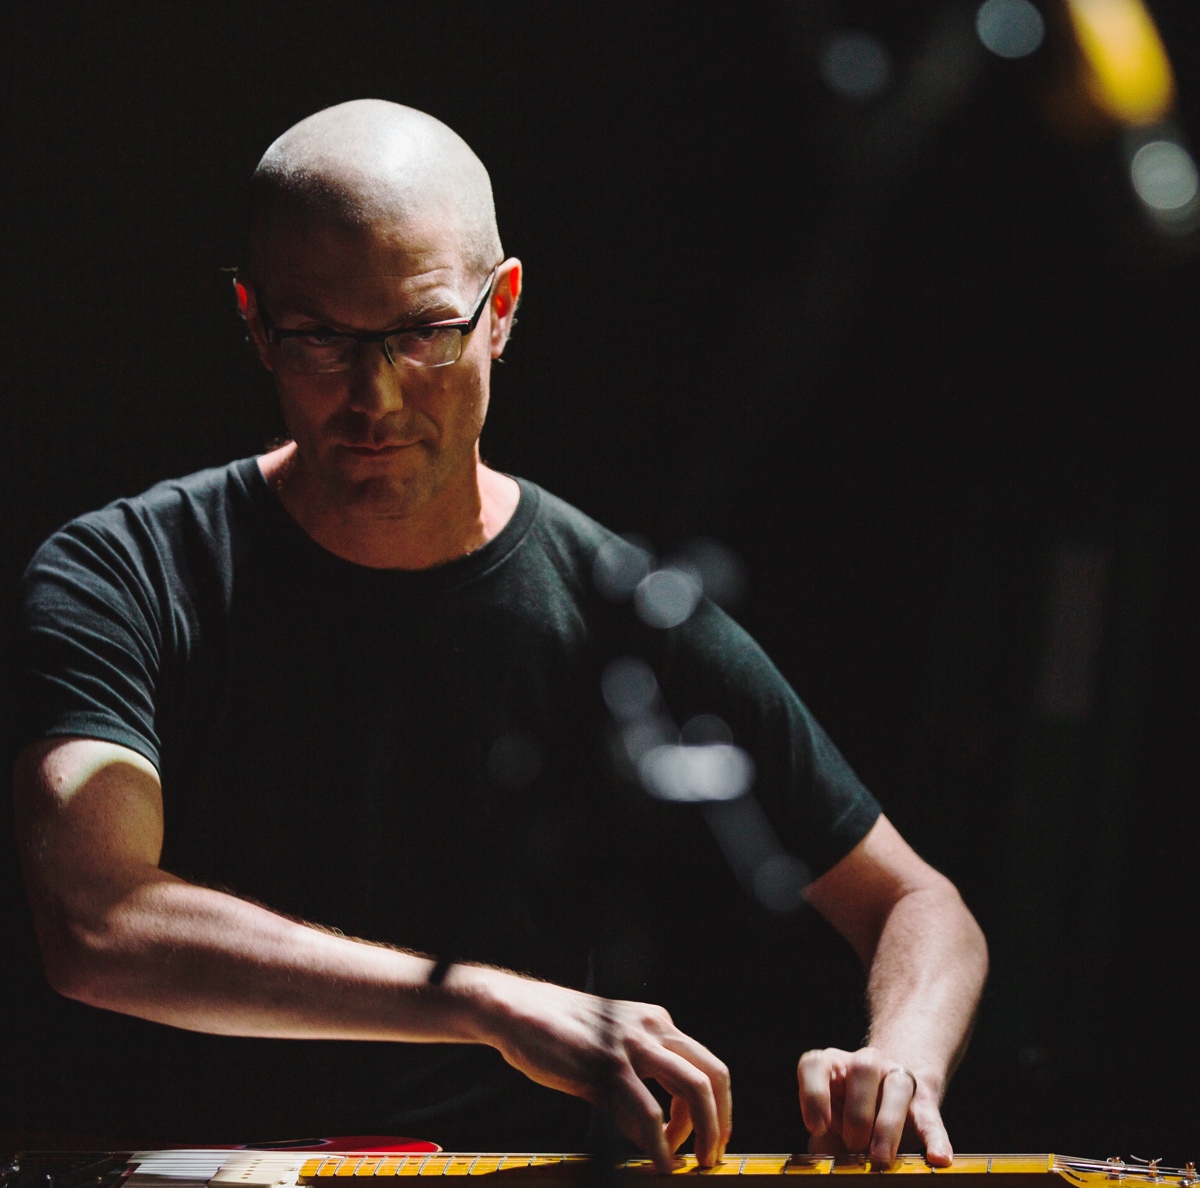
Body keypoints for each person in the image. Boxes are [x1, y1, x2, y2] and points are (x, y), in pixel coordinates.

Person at [12, 100, 987, 1169]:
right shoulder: (123, 572)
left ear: (503, 307)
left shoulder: (613, 601)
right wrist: (484, 1003)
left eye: (424, 333)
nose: (374, 395)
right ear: (253, 322)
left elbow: (917, 901)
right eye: (321, 339)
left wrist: (901, 1055)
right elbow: (98, 923)